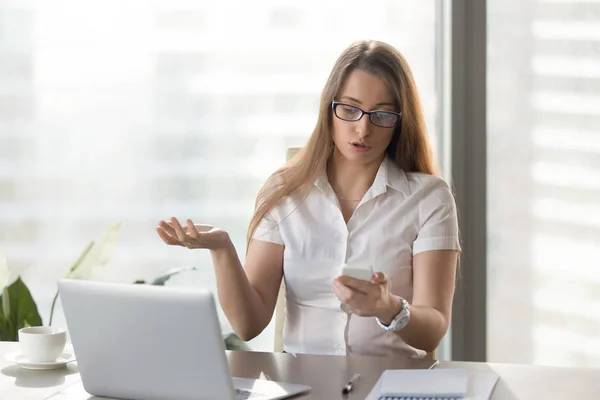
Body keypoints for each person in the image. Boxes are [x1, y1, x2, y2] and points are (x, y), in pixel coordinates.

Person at [156, 40, 460, 359]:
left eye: (382, 114)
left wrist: (389, 307)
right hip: (303, 384)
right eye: (349, 109)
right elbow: (248, 325)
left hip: (393, 383)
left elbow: (433, 329)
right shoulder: (284, 192)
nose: (363, 129)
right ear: (328, 109)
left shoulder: (428, 197)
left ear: (400, 120)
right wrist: (221, 249)